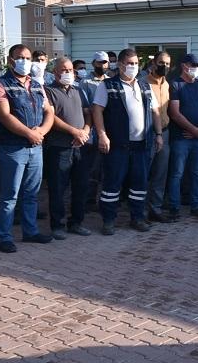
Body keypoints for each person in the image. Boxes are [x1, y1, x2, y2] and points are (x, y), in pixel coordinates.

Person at [0, 43, 56, 252]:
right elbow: (4, 115)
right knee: (9, 196)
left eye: (28, 58)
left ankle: (30, 231)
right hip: (12, 148)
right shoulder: (0, 84)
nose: (25, 62)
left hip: (35, 147)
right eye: (20, 58)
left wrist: (41, 131)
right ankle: (4, 237)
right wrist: (29, 133)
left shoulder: (36, 84)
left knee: (31, 193)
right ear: (11, 60)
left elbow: (49, 111)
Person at [93, 47, 161, 234]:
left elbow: (155, 111)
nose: (133, 67)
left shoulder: (144, 86)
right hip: (118, 145)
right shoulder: (108, 85)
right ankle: (108, 220)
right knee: (112, 183)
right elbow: (97, 110)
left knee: (139, 183)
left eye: (136, 63)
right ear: (121, 64)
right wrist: (102, 135)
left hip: (141, 145)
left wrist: (158, 134)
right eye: (130, 63)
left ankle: (137, 218)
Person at [44, 55, 94, 238]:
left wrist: (85, 131)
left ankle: (76, 223)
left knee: (81, 187)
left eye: (70, 70)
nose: (68, 73)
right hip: (59, 147)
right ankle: (57, 225)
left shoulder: (78, 90)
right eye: (64, 70)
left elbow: (88, 113)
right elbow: (51, 117)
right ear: (55, 72)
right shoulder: (48, 91)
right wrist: (74, 131)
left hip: (81, 146)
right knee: (58, 188)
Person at [167, 53, 198, 220]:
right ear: (184, 66)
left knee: (197, 173)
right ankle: (174, 208)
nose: (197, 69)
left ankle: (196, 206)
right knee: (177, 174)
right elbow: (175, 113)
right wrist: (193, 130)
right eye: (194, 65)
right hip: (181, 138)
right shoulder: (175, 85)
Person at [146, 51, 174, 221]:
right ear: (154, 63)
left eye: (168, 64)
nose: (165, 66)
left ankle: (155, 209)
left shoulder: (166, 84)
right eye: (162, 63)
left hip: (165, 133)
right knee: (144, 173)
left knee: (160, 173)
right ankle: (140, 211)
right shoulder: (143, 83)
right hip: (148, 134)